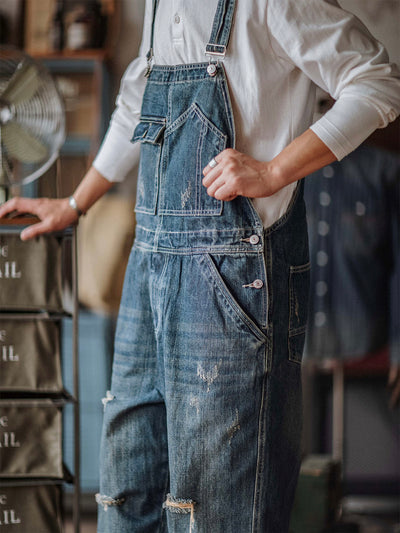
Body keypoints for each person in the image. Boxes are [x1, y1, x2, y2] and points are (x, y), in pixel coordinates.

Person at [1, 1, 400, 531]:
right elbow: (136, 107)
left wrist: (274, 170)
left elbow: (377, 82)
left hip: (233, 281)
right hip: (150, 270)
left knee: (215, 509)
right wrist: (75, 203)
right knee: (128, 494)